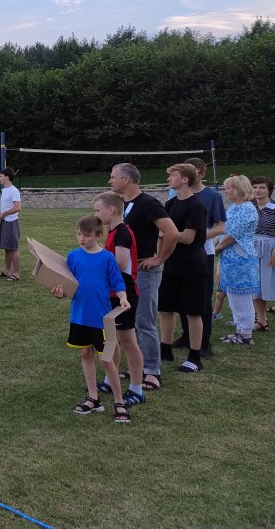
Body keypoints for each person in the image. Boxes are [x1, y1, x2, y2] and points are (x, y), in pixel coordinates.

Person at [51, 215, 131, 423]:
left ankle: (119, 402)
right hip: (79, 317)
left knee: (106, 361)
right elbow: (67, 286)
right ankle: (93, 398)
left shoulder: (107, 258)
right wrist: (59, 292)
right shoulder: (73, 256)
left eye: (86, 235)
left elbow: (117, 282)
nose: (81, 238)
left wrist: (123, 297)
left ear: (98, 235)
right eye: (79, 234)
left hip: (101, 320)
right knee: (86, 353)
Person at [109, 162, 179, 392]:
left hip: (144, 271)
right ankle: (137, 368)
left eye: (113, 176)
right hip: (125, 272)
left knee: (144, 321)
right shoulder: (121, 204)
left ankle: (151, 371)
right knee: (129, 322)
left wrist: (159, 258)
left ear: (126, 179)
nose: (110, 180)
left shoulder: (148, 203)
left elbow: (171, 232)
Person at [92, 191, 147, 407]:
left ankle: (137, 388)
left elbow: (121, 264)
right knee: (111, 339)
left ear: (111, 210)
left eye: (98, 210)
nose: (96, 214)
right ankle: (110, 379)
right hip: (111, 294)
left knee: (128, 341)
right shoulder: (113, 231)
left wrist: (96, 260)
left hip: (124, 295)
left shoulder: (122, 232)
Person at [158, 163, 208, 374]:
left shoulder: (196, 205)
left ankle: (195, 357)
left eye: (173, 175)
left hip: (192, 266)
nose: (169, 179)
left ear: (185, 179)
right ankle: (165, 349)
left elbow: (188, 237)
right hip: (171, 264)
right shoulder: (170, 204)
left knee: (192, 311)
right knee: (165, 308)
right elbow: (161, 234)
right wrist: (158, 257)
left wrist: (167, 234)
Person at [172, 158, 225, 357]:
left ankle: (204, 341)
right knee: (181, 296)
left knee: (201, 297)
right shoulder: (175, 194)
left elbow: (220, 226)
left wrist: (198, 235)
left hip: (202, 253)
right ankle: (187, 335)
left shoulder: (212, 196)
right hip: (179, 252)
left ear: (201, 173)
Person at [214, 175, 261, 345]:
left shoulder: (246, 209)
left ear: (238, 189)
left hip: (241, 259)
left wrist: (216, 249)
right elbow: (224, 230)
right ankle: (240, 330)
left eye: (228, 188)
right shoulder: (234, 207)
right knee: (234, 297)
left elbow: (233, 235)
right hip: (231, 258)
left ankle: (246, 334)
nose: (226, 191)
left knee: (242, 297)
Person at [250, 176, 275, 332]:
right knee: (256, 288)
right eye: (255, 187)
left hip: (272, 250)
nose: (258, 190)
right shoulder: (250, 206)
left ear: (269, 190)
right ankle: (261, 321)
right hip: (253, 250)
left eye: (262, 187)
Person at [0, 168, 22, 281]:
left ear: (7, 177)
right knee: (7, 248)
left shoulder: (13, 190)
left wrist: (4, 214)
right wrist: (1, 214)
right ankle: (7, 270)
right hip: (5, 221)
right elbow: (6, 206)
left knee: (14, 248)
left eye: (1, 176)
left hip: (12, 222)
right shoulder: (5, 190)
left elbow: (17, 208)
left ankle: (16, 274)